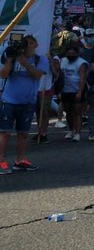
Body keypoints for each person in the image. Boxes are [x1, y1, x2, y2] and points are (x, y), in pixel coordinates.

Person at [0, 36, 46, 173]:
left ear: (36, 45)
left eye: (31, 43)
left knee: (23, 133)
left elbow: (38, 75)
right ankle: (1, 161)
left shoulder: (40, 59)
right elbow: (3, 75)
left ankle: (20, 160)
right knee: (4, 133)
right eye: (26, 43)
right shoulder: (12, 57)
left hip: (28, 102)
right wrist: (9, 59)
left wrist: (25, 63)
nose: (29, 46)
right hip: (9, 101)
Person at [57, 43, 88, 142]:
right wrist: (59, 91)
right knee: (68, 112)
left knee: (77, 112)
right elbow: (59, 75)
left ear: (77, 53)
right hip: (65, 90)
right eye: (69, 53)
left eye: (73, 53)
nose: (70, 55)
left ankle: (78, 133)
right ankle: (71, 130)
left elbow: (82, 78)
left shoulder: (81, 63)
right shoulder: (63, 61)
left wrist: (80, 92)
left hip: (76, 90)